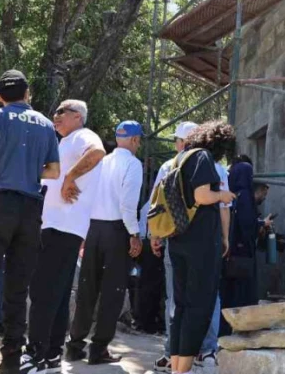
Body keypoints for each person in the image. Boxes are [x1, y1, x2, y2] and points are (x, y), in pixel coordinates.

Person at [0, 70, 60, 374]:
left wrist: (1, 167)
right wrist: (27, 171)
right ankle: (12, 361)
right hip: (31, 211)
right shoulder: (45, 123)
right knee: (17, 288)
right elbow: (54, 172)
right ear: (28, 93)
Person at [21, 99, 106, 373]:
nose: (55, 116)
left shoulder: (83, 135)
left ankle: (34, 353)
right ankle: (52, 353)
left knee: (44, 290)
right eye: (55, 112)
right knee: (54, 293)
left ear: (78, 116)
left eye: (61, 112)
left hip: (63, 226)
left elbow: (97, 152)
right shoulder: (64, 142)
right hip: (56, 226)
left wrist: (69, 177)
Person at [66, 121, 144, 365]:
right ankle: (99, 349)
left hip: (94, 230)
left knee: (88, 289)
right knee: (112, 292)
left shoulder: (103, 161)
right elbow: (128, 204)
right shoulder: (132, 164)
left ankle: (75, 345)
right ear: (135, 140)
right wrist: (135, 234)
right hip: (117, 231)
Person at [164, 120, 237, 374]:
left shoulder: (181, 158)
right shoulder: (204, 158)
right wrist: (222, 196)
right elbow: (202, 196)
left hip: (178, 238)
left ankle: (176, 367)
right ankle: (182, 369)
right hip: (201, 243)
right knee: (200, 306)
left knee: (181, 306)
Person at [151, 121, 198, 373]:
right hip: (202, 243)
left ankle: (173, 354)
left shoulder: (168, 166)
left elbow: (156, 204)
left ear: (181, 142)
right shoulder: (211, 166)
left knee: (175, 298)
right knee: (202, 299)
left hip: (174, 237)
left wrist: (154, 235)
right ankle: (203, 352)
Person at [197, 145, 234, 367]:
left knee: (180, 296)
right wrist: (225, 237)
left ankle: (177, 350)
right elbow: (224, 207)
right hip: (208, 239)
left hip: (180, 239)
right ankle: (208, 349)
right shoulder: (218, 170)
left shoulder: (173, 164)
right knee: (211, 295)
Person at [221, 156, 268, 315]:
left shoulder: (229, 195)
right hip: (243, 254)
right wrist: (261, 225)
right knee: (243, 293)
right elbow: (248, 225)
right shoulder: (246, 197)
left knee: (228, 292)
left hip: (229, 250)